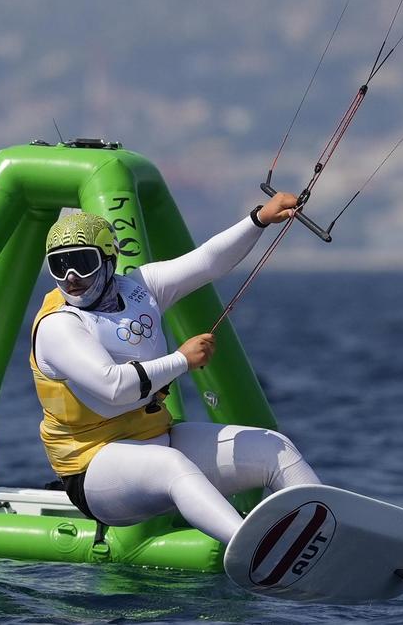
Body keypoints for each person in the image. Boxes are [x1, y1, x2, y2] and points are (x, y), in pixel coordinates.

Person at [28, 193, 321, 545]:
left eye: (82, 263)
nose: (71, 277)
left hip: (157, 439)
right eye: (59, 266)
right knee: (171, 465)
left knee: (274, 448)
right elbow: (114, 387)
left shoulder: (140, 287)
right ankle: (252, 548)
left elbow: (208, 262)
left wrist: (258, 219)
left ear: (109, 259)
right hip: (92, 469)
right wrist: (182, 359)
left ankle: (330, 532)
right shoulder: (57, 325)